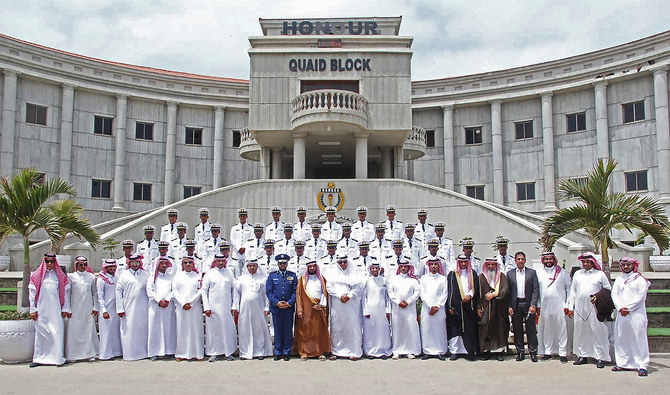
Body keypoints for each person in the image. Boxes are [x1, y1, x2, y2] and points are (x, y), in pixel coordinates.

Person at [568, 252, 612, 369]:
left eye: (588, 262)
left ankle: (600, 357)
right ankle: (582, 355)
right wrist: (570, 307)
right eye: (584, 262)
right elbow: (573, 291)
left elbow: (608, 289)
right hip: (579, 308)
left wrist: (598, 296)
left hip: (594, 308)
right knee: (581, 332)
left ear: (593, 262)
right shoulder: (577, 274)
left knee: (597, 331)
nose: (586, 264)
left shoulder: (600, 274)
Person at [28, 253, 71, 367]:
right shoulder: (37, 276)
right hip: (41, 310)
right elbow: (31, 294)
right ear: (44, 262)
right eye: (47, 261)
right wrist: (32, 309)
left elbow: (65, 294)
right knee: (41, 333)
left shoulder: (59, 276)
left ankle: (57, 357)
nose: (50, 264)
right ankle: (39, 358)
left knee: (56, 332)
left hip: (56, 310)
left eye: (52, 261)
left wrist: (65, 308)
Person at [611, 257, 650, 376]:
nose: (626, 267)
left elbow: (641, 297)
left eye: (628, 264)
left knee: (639, 338)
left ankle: (642, 365)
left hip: (636, 314)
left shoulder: (640, 280)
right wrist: (621, 307)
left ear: (633, 265)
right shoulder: (618, 279)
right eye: (623, 265)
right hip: (622, 313)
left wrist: (628, 308)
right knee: (622, 337)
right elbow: (615, 294)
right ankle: (623, 363)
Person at [326, 254, 363, 360]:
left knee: (352, 327)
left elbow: (358, 287)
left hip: (351, 305)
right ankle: (336, 351)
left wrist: (349, 296)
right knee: (338, 328)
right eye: (340, 262)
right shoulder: (332, 274)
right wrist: (339, 296)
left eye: (344, 262)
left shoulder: (354, 274)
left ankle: (353, 351)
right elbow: (329, 287)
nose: (343, 264)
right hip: (338, 305)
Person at [201, 254, 237, 362]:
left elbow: (234, 289)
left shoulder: (229, 273)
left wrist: (234, 305)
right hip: (213, 307)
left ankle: (228, 352)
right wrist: (206, 307)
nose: (221, 263)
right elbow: (204, 290)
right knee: (214, 330)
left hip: (226, 306)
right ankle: (214, 352)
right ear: (215, 261)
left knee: (227, 330)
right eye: (218, 261)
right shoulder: (209, 273)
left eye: (222, 261)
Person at [536, 251, 571, 363]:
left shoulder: (562, 273)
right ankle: (547, 351)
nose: (548, 261)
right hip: (544, 306)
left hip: (560, 306)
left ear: (554, 259)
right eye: (546, 259)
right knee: (547, 329)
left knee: (561, 329)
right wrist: (538, 305)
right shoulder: (539, 273)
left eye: (550, 259)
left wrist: (567, 305)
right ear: (543, 261)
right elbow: (536, 291)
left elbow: (569, 289)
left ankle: (562, 353)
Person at [235, 259, 273, 360]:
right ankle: (244, 352)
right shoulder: (241, 279)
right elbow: (236, 294)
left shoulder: (262, 279)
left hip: (259, 308)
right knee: (245, 329)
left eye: (254, 266)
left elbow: (266, 294)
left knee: (259, 329)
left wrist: (267, 307)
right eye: (250, 266)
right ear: (247, 267)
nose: (252, 268)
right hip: (245, 309)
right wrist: (235, 307)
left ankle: (259, 351)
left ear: (257, 267)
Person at [507, 251, 540, 362]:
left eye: (522, 259)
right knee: (517, 329)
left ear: (525, 260)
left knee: (531, 329)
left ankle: (533, 352)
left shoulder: (532, 273)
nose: (520, 261)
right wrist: (509, 306)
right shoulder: (510, 273)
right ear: (515, 261)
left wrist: (533, 304)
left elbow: (536, 290)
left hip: (528, 304)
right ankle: (520, 351)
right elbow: (508, 291)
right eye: (518, 259)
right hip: (516, 304)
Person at [115, 254, 149, 361]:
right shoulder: (124, 275)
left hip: (143, 309)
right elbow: (118, 291)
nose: (135, 265)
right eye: (133, 263)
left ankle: (144, 353)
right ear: (129, 263)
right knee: (129, 330)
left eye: (137, 263)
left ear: (140, 263)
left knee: (143, 330)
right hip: (128, 309)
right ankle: (130, 354)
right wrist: (120, 308)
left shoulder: (145, 275)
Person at [294, 260, 331, 360]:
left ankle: (319, 352)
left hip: (318, 308)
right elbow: (298, 295)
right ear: (307, 268)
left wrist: (321, 305)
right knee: (305, 331)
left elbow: (324, 294)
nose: (312, 268)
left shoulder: (322, 279)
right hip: (306, 309)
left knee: (318, 331)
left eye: (313, 266)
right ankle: (304, 352)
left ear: (316, 267)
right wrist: (300, 310)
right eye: (310, 267)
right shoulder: (302, 280)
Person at [446, 254, 480, 360]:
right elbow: (449, 291)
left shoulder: (473, 274)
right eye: (461, 262)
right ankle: (454, 351)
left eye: (465, 262)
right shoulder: (452, 274)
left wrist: (469, 295)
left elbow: (476, 289)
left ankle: (469, 350)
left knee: (469, 329)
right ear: (458, 262)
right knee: (455, 330)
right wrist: (450, 306)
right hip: (456, 307)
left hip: (469, 307)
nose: (463, 264)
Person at [65, 256, 98, 362]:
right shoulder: (71, 277)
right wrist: (68, 309)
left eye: (84, 265)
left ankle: (89, 354)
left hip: (87, 309)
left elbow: (95, 293)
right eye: (80, 265)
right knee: (74, 331)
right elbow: (67, 294)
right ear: (76, 265)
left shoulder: (91, 277)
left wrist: (95, 307)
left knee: (88, 330)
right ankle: (73, 355)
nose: (83, 267)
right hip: (75, 309)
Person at [265, 254, 297, 361]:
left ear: (287, 264)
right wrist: (277, 302)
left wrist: (289, 303)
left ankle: (287, 351)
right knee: (277, 330)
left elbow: (295, 291)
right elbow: (269, 292)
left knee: (288, 330)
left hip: (288, 308)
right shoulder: (272, 276)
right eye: (280, 263)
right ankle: (278, 351)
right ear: (278, 264)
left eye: (284, 263)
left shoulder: (293, 276)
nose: (282, 265)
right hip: (276, 308)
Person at [171, 257, 204, 361]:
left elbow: (200, 290)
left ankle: (198, 354)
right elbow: (175, 291)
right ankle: (181, 354)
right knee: (182, 329)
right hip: (181, 308)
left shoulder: (197, 276)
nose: (188, 264)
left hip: (195, 307)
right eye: (185, 263)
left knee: (196, 329)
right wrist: (182, 303)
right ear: (182, 265)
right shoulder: (178, 276)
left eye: (190, 262)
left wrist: (191, 302)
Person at [388, 259, 421, 359]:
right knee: (397, 328)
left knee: (409, 328)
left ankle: (409, 350)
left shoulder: (413, 281)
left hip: (409, 308)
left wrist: (408, 302)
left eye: (405, 266)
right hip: (397, 308)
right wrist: (399, 302)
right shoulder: (393, 279)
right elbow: (390, 292)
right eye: (401, 266)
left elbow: (417, 293)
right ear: (399, 267)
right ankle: (397, 351)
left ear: (408, 268)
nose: (403, 268)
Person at [478, 257, 510, 361]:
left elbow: (505, 290)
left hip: (499, 310)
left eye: (493, 265)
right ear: (486, 266)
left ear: (496, 266)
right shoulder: (481, 277)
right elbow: (477, 294)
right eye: (489, 265)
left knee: (499, 330)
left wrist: (494, 295)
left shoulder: (502, 277)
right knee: (485, 330)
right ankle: (486, 351)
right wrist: (479, 308)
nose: (491, 267)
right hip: (486, 309)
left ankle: (499, 352)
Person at [420, 258, 448, 360]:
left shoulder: (443, 279)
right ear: (428, 266)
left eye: (435, 264)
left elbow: (444, 294)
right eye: (431, 264)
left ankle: (440, 351)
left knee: (439, 330)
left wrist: (437, 306)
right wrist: (430, 306)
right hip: (427, 308)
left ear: (438, 266)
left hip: (439, 309)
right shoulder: (423, 278)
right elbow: (422, 294)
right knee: (427, 329)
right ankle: (428, 351)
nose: (433, 266)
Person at [362, 262, 392, 359]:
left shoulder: (384, 280)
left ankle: (383, 350)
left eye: (376, 268)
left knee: (382, 330)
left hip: (382, 309)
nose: (375, 270)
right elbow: (364, 297)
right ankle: (371, 351)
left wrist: (388, 310)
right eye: (373, 268)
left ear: (379, 269)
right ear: (370, 269)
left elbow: (388, 297)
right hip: (370, 310)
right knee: (370, 330)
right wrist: (365, 310)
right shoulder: (367, 281)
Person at [96, 259, 122, 361]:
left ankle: (116, 352)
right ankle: (105, 354)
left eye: (113, 267)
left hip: (116, 309)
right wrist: (103, 310)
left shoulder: (116, 277)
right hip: (106, 310)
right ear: (105, 268)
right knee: (106, 332)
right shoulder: (101, 279)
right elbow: (100, 296)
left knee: (115, 332)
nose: (111, 269)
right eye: (109, 267)